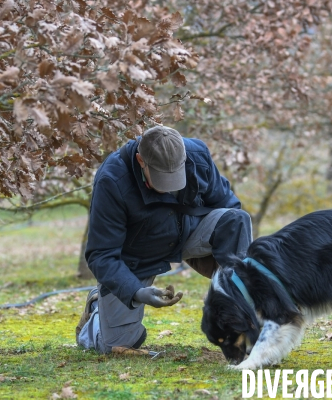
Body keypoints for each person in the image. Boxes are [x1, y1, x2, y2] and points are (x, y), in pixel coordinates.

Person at [76, 126, 253, 354]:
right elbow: (101, 254)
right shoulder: (112, 180)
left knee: (238, 220)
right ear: (141, 161)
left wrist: (228, 276)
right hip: (137, 256)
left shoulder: (197, 155)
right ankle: (95, 310)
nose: (169, 187)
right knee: (117, 346)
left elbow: (228, 207)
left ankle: (239, 314)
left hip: (187, 232)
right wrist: (135, 292)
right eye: (161, 179)